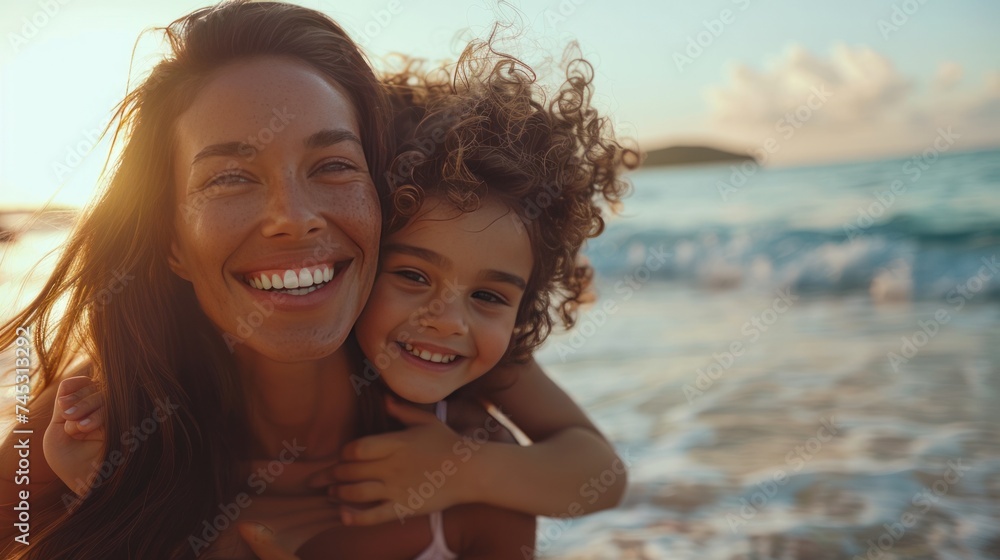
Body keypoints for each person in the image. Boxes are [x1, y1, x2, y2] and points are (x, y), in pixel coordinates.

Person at [0, 2, 631, 559]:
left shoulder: (466, 449)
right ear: (170, 239)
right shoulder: (88, 425)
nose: (294, 219)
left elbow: (598, 473)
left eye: (333, 165)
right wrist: (103, 499)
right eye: (228, 177)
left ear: (384, 201)